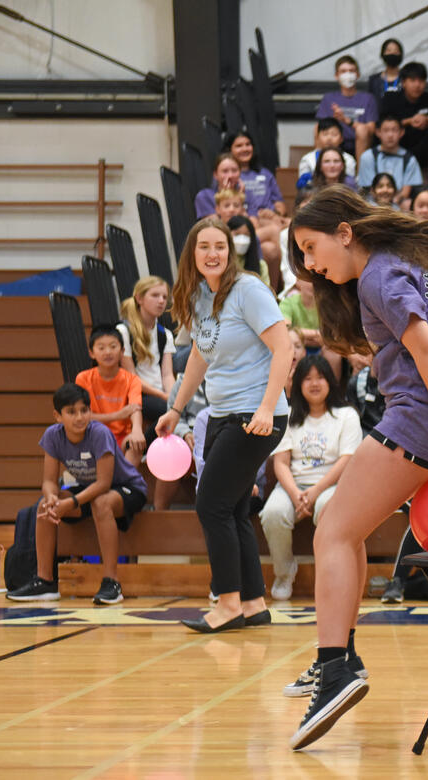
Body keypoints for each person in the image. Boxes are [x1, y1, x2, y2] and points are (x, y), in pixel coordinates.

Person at [279, 185, 428, 747]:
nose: (311, 263)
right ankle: (338, 656)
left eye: (311, 247)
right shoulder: (402, 266)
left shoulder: (379, 276)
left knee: (331, 531)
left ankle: (337, 666)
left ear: (345, 232)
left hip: (426, 418)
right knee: (348, 531)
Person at [154, 216, 291, 635]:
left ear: (231, 253)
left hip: (256, 415)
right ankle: (253, 603)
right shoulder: (199, 295)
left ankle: (228, 602)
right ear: (192, 254)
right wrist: (175, 410)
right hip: (221, 414)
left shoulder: (248, 290)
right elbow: (199, 355)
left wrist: (267, 408)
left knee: (210, 504)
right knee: (230, 509)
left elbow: (283, 348)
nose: (212, 254)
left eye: (220, 246)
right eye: (204, 247)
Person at [7, 382, 148, 605]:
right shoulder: (52, 436)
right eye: (71, 412)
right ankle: (45, 582)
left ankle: (112, 582)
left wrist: (71, 502)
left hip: (127, 488)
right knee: (45, 506)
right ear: (58, 416)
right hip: (90, 491)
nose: (79, 417)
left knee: (101, 503)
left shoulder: (99, 433)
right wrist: (53, 496)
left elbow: (103, 483)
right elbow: (48, 481)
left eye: (84, 410)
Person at [263, 355, 362, 601]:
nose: (314, 383)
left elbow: (347, 460)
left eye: (320, 377)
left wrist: (315, 492)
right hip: (293, 487)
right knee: (273, 514)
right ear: (298, 384)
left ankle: (329, 576)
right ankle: (284, 573)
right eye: (307, 378)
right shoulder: (286, 415)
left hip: (333, 485)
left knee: (328, 509)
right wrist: (297, 495)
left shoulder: (347, 415)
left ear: (330, 381)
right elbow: (281, 463)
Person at [116, 276, 176, 507]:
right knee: (167, 413)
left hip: (158, 395)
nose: (161, 301)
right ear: (139, 298)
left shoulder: (165, 335)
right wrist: (165, 399)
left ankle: (140, 448)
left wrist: (173, 397)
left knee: (177, 411)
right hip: (134, 393)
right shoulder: (123, 330)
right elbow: (131, 378)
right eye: (155, 296)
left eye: (164, 297)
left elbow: (167, 375)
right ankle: (137, 450)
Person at [76, 325, 145, 466]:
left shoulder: (132, 380)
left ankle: (125, 485)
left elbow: (135, 409)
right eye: (101, 348)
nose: (107, 352)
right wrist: (118, 415)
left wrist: (137, 430)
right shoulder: (83, 378)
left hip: (121, 437)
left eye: (113, 347)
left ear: (122, 351)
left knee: (135, 444)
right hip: (92, 435)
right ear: (92, 353)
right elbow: (82, 417)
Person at [379, 61, 428, 170]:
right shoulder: (390, 98)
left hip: (422, 141)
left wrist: (425, 119)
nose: (417, 85)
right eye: (412, 81)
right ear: (403, 82)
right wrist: (409, 121)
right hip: (401, 138)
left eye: (421, 81)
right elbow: (383, 124)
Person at [316, 55, 377, 157]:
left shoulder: (368, 98)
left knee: (362, 130)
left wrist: (347, 121)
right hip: (336, 143)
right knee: (317, 128)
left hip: (359, 143)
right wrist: (335, 118)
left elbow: (371, 130)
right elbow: (322, 127)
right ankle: (319, 165)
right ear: (336, 75)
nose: (348, 74)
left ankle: (359, 172)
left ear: (357, 74)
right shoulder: (329, 98)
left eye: (351, 71)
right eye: (343, 71)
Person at [357, 116, 421, 202]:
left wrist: (393, 206)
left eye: (394, 130)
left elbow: (406, 192)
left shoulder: (409, 159)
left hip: (397, 204)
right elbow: (368, 188)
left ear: (401, 132)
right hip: (372, 204)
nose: (390, 135)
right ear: (378, 132)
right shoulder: (368, 156)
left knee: (407, 203)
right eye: (386, 130)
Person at [228, 131, 287, 221]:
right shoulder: (227, 175)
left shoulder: (265, 173)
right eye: (239, 146)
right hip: (245, 220)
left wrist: (275, 213)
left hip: (271, 218)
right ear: (230, 150)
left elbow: (280, 204)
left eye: (248, 144)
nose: (245, 149)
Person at [297, 119, 358, 190]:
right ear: (317, 137)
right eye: (325, 134)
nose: (329, 138)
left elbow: (349, 184)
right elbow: (303, 187)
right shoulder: (307, 159)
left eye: (334, 134)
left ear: (341, 138)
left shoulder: (349, 159)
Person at [194, 153, 246, 218]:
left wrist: (240, 198)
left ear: (240, 173)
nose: (230, 175)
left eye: (234, 170)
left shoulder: (246, 194)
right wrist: (224, 195)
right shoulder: (204, 196)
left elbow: (254, 225)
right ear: (215, 175)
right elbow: (215, 225)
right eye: (225, 171)